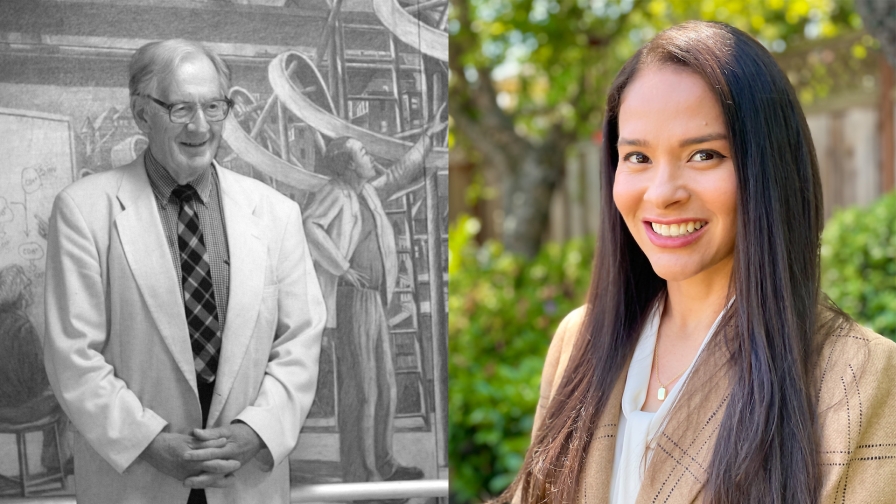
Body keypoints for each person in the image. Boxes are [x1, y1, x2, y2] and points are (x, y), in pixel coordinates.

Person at [498, 21, 896, 504]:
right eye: (638, 157)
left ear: (767, 167)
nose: (662, 194)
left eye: (704, 155)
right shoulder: (579, 341)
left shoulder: (860, 375)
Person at [42, 39, 326, 504]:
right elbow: (73, 357)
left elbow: (301, 340)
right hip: (136, 481)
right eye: (180, 108)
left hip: (245, 480)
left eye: (214, 107)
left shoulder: (278, 214)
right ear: (141, 114)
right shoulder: (82, 211)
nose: (200, 125)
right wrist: (150, 443)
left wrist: (257, 430)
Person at [303, 120, 443, 489]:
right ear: (349, 165)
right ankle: (361, 475)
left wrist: (425, 142)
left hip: (375, 299)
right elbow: (311, 225)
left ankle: (384, 463)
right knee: (362, 390)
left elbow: (398, 174)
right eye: (363, 153)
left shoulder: (366, 193)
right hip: (353, 300)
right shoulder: (336, 192)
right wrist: (343, 268)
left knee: (385, 385)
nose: (369, 157)